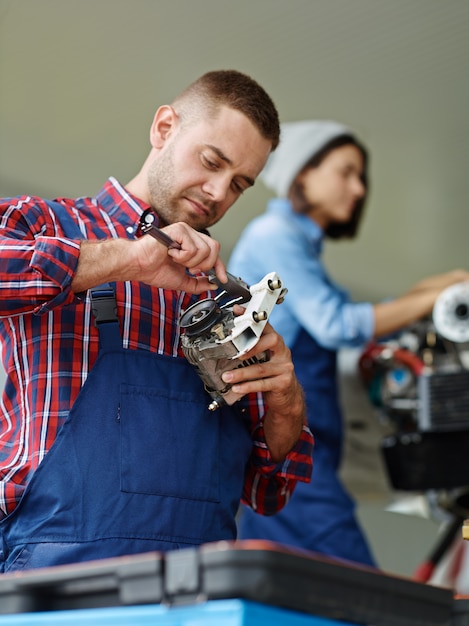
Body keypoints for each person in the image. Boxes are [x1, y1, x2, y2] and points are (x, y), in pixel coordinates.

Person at [0, 71, 314, 573]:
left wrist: (286, 402)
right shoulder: (48, 225)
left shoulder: (230, 305)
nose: (217, 192)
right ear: (164, 128)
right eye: (212, 161)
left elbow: (269, 489)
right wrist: (129, 260)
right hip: (56, 582)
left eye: (238, 184)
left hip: (200, 593)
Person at [228, 119, 469, 567]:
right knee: (359, 584)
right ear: (303, 174)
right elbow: (336, 324)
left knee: (284, 585)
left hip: (301, 448)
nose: (358, 189)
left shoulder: (296, 246)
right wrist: (432, 297)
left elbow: (348, 316)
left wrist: (446, 285)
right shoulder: (274, 236)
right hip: (288, 444)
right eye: (346, 172)